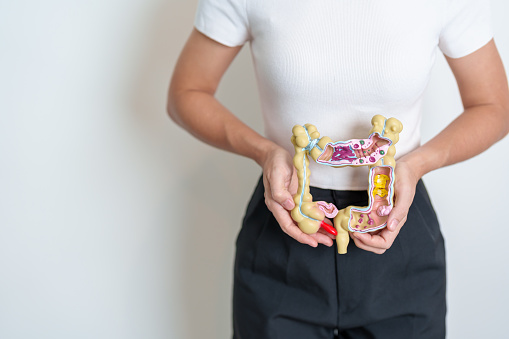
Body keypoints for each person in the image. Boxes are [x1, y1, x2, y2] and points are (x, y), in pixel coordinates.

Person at [167, 0, 509, 337]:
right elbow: (186, 93)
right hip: (285, 223)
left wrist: (417, 164)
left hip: (397, 223)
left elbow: (494, 105)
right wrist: (265, 152)